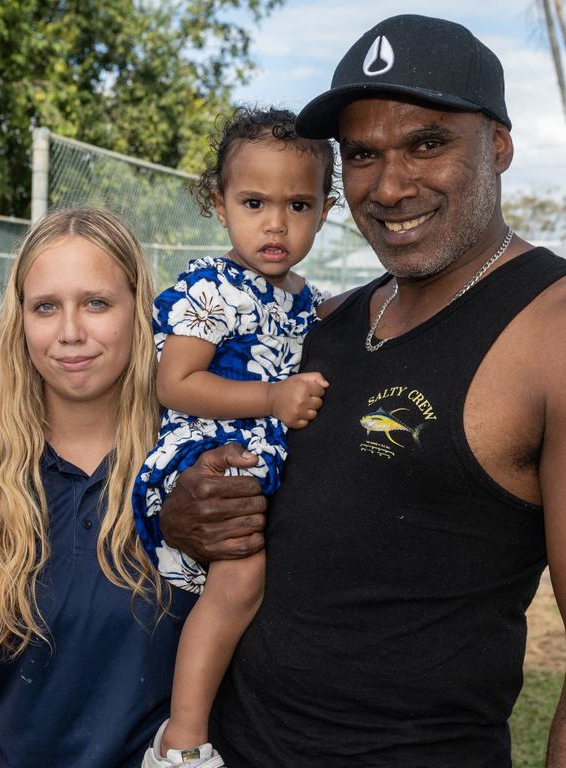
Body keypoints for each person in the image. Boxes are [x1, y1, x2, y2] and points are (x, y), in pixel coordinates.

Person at [159, 14, 566, 767]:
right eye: (363, 154)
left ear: (500, 145)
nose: (390, 184)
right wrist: (192, 513)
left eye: (428, 143)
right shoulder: (325, 320)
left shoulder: (551, 333)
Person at [0, 208, 199, 767]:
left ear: (138, 312)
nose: (70, 332)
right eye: (46, 307)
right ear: (20, 321)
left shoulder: (192, 468)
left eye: (97, 303)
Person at [132, 108, 336, 767]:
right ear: (220, 205)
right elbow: (177, 383)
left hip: (260, 462)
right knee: (241, 578)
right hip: (202, 455)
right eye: (254, 202)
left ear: (325, 212)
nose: (275, 224)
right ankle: (183, 741)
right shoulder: (213, 288)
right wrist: (273, 397)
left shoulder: (305, 298)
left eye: (297, 204)